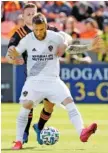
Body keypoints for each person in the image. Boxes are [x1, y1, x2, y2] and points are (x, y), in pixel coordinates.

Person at [7, 13, 99, 150]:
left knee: (69, 102)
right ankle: (19, 141)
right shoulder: (27, 39)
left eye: (41, 29)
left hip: (53, 80)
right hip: (34, 81)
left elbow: (70, 48)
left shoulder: (55, 36)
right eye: (36, 29)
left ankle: (82, 132)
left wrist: (88, 47)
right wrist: (12, 57)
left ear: (46, 26)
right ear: (33, 28)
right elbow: (12, 54)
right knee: (25, 107)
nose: (39, 33)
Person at [7, 3, 73, 145]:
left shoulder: (47, 29)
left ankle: (39, 127)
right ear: (23, 17)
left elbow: (66, 36)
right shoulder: (19, 34)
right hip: (33, 76)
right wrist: (13, 58)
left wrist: (65, 44)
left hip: (51, 75)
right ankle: (24, 133)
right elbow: (9, 53)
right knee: (28, 105)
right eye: (28, 14)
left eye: (33, 13)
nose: (31, 16)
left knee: (49, 106)